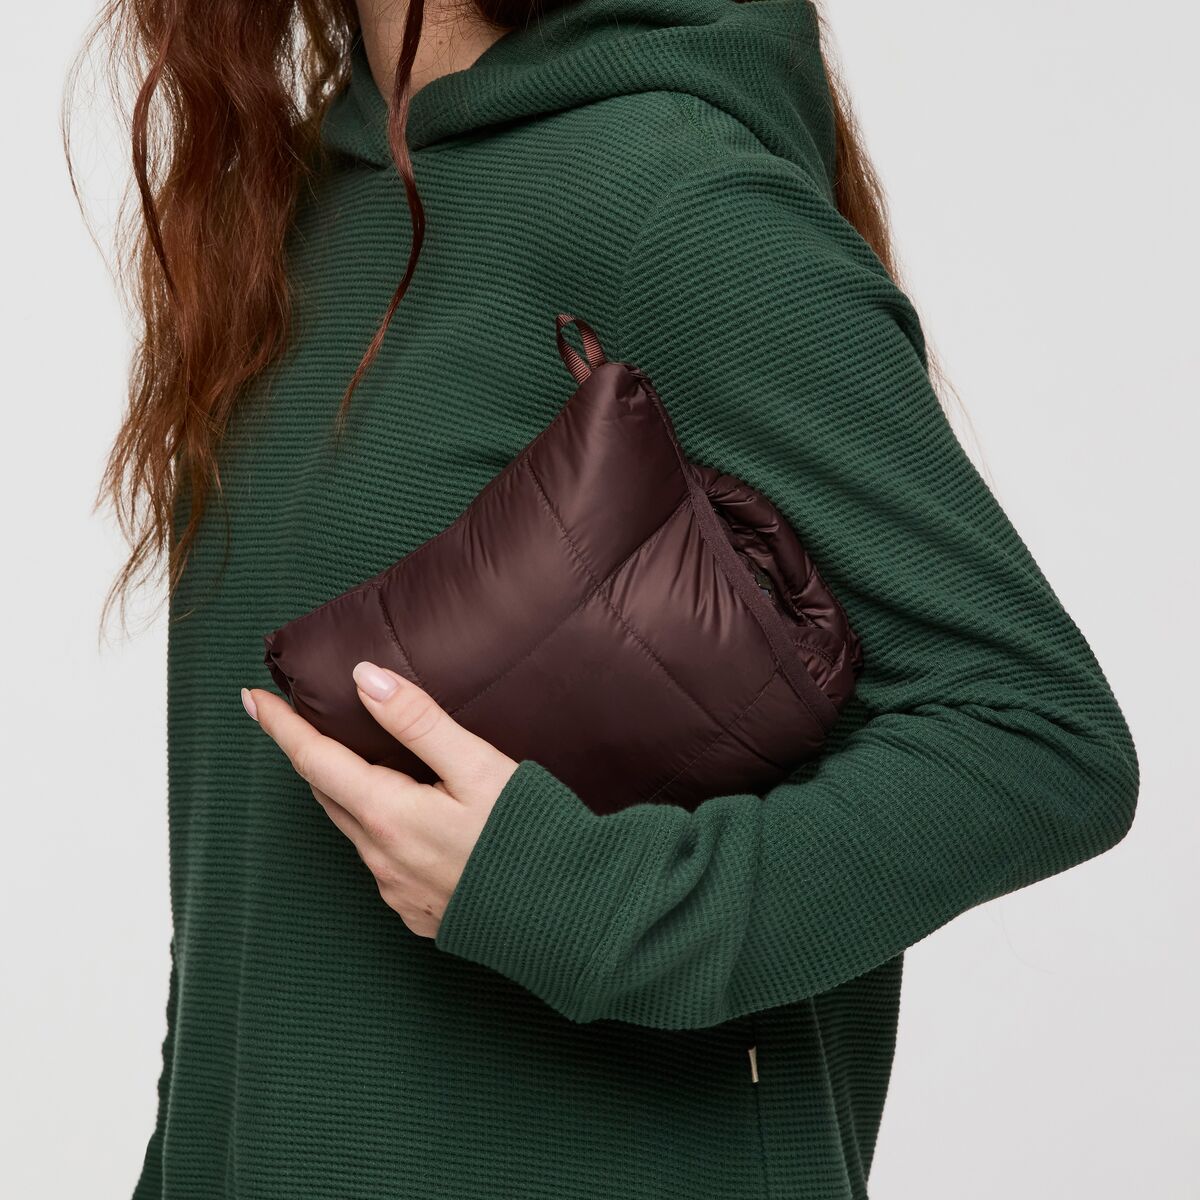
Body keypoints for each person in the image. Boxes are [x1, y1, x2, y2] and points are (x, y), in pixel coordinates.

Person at [76, 0, 1140, 1196]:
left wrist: (576, 899)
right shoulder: (297, 218)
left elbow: (1039, 738)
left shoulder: (669, 199)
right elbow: (242, 908)